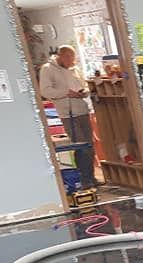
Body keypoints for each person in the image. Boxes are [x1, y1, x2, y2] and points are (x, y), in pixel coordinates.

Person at [39, 45, 96, 190]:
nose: (72, 61)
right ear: (61, 56)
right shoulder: (48, 69)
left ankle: (90, 177)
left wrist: (84, 92)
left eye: (73, 58)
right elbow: (45, 91)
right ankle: (84, 179)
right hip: (67, 113)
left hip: (82, 109)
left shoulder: (74, 69)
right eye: (69, 58)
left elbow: (84, 85)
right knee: (80, 145)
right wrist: (66, 92)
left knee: (89, 145)